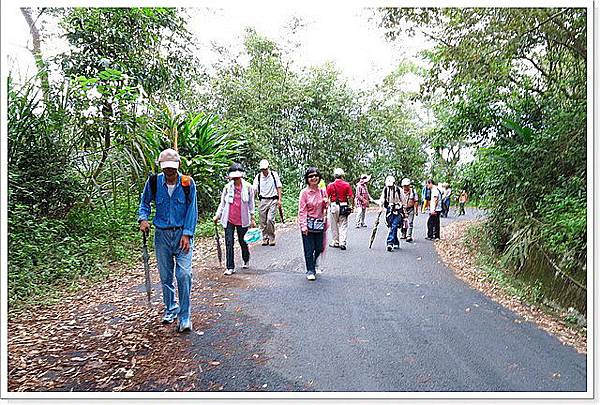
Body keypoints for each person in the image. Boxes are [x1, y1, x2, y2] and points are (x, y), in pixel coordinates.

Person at [138, 148, 198, 332]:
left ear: (178, 165)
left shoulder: (188, 183)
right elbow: (144, 202)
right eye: (166, 169)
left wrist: (187, 233)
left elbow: (192, 210)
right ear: (162, 168)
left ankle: (185, 316)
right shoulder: (154, 182)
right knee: (165, 277)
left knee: (184, 274)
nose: (170, 172)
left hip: (182, 235)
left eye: (172, 168)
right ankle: (170, 308)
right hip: (162, 235)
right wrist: (143, 218)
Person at [214, 163, 256, 276]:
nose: (236, 178)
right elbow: (222, 203)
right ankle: (230, 266)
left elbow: (251, 203)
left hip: (242, 219)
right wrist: (218, 215)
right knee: (229, 242)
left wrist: (252, 218)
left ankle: (246, 259)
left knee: (243, 241)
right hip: (229, 219)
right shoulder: (227, 188)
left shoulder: (248, 187)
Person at [298, 167, 329, 281]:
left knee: (319, 247)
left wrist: (326, 203)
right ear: (307, 179)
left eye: (315, 175)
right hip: (308, 222)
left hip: (320, 223)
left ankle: (314, 263)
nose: (314, 178)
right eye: (311, 176)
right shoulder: (304, 193)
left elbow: (325, 208)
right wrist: (303, 225)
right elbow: (302, 210)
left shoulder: (322, 191)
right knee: (308, 248)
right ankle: (310, 270)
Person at [252, 159, 282, 246]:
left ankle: (272, 238)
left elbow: (279, 187)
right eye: (262, 169)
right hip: (262, 200)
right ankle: (265, 238)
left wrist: (279, 200)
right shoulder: (258, 177)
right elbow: (254, 189)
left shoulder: (274, 175)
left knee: (270, 219)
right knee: (262, 221)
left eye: (265, 169)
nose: (264, 171)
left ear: (268, 167)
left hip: (273, 200)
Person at [326, 168, 354, 250]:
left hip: (334, 205)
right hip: (343, 205)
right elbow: (351, 197)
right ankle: (343, 242)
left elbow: (327, 197)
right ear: (342, 176)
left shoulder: (330, 185)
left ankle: (336, 241)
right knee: (343, 224)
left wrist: (326, 207)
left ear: (334, 176)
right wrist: (352, 206)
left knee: (334, 225)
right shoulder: (346, 185)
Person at [380, 175, 404, 252]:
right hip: (389, 210)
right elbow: (382, 199)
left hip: (398, 210)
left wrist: (405, 213)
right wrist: (380, 208)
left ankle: (390, 243)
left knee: (394, 225)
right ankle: (396, 241)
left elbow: (403, 202)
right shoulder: (385, 190)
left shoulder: (399, 190)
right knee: (392, 226)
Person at [399, 178, 419, 242]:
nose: (405, 187)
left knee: (410, 222)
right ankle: (403, 234)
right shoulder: (400, 192)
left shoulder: (413, 191)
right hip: (402, 209)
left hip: (411, 209)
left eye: (407, 185)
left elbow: (416, 201)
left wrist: (416, 210)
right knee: (403, 222)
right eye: (404, 186)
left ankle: (409, 235)